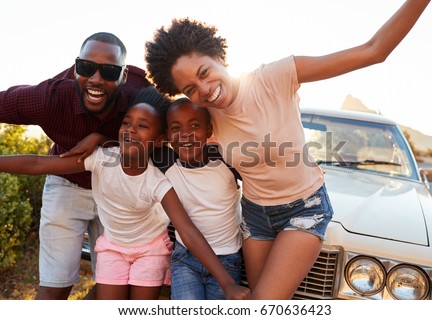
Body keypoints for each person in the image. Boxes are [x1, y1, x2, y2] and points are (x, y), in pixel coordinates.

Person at [144, 0, 431, 299]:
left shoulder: (274, 78)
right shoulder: (206, 115)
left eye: (204, 72)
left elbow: (374, 50)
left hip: (304, 209)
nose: (203, 89)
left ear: (218, 56)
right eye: (190, 88)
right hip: (255, 216)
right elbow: (153, 126)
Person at [0, 89, 251, 300]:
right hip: (126, 249)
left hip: (167, 251)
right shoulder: (110, 158)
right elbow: (38, 164)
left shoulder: (168, 173)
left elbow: (188, 229)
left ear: (159, 140)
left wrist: (228, 283)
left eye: (142, 126)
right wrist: (100, 138)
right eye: (126, 123)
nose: (131, 130)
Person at [0, 32, 164, 299]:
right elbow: (35, 161)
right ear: (76, 68)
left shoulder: (140, 99)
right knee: (55, 285)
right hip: (68, 181)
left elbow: (169, 136)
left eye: (109, 71)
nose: (96, 79)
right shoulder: (50, 98)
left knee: (116, 286)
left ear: (123, 76)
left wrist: (104, 139)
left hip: (119, 190)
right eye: (86, 68)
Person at [158, 98, 243, 300]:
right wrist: (99, 138)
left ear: (209, 130)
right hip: (185, 258)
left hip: (227, 259)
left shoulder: (226, 159)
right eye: (176, 128)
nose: (185, 134)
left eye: (195, 125)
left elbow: (263, 177)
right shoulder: (164, 160)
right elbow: (131, 141)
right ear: (167, 135)